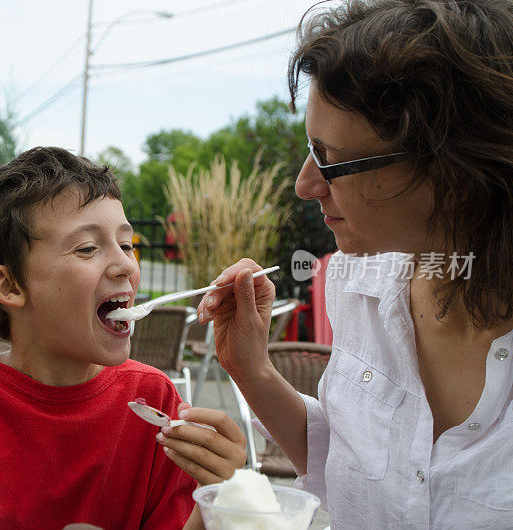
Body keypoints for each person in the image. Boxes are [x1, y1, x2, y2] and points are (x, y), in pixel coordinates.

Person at [197, 0, 513, 527]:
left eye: (333, 161)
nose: (305, 184)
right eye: (310, 151)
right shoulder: (359, 281)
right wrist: (251, 370)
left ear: (454, 168)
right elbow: (352, 459)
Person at [0, 146, 247, 529]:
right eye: (87, 248)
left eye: (127, 244)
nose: (125, 265)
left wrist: (216, 500)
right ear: (10, 284)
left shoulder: (154, 402)